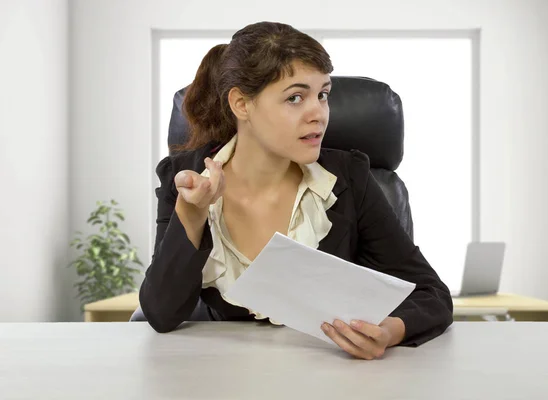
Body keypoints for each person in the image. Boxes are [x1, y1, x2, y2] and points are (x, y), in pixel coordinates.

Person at [139, 21, 453, 360]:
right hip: (218, 376)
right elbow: (161, 313)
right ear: (242, 105)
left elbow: (432, 293)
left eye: (323, 95)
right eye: (295, 98)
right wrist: (192, 213)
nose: (318, 113)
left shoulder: (347, 180)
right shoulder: (186, 177)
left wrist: (389, 332)